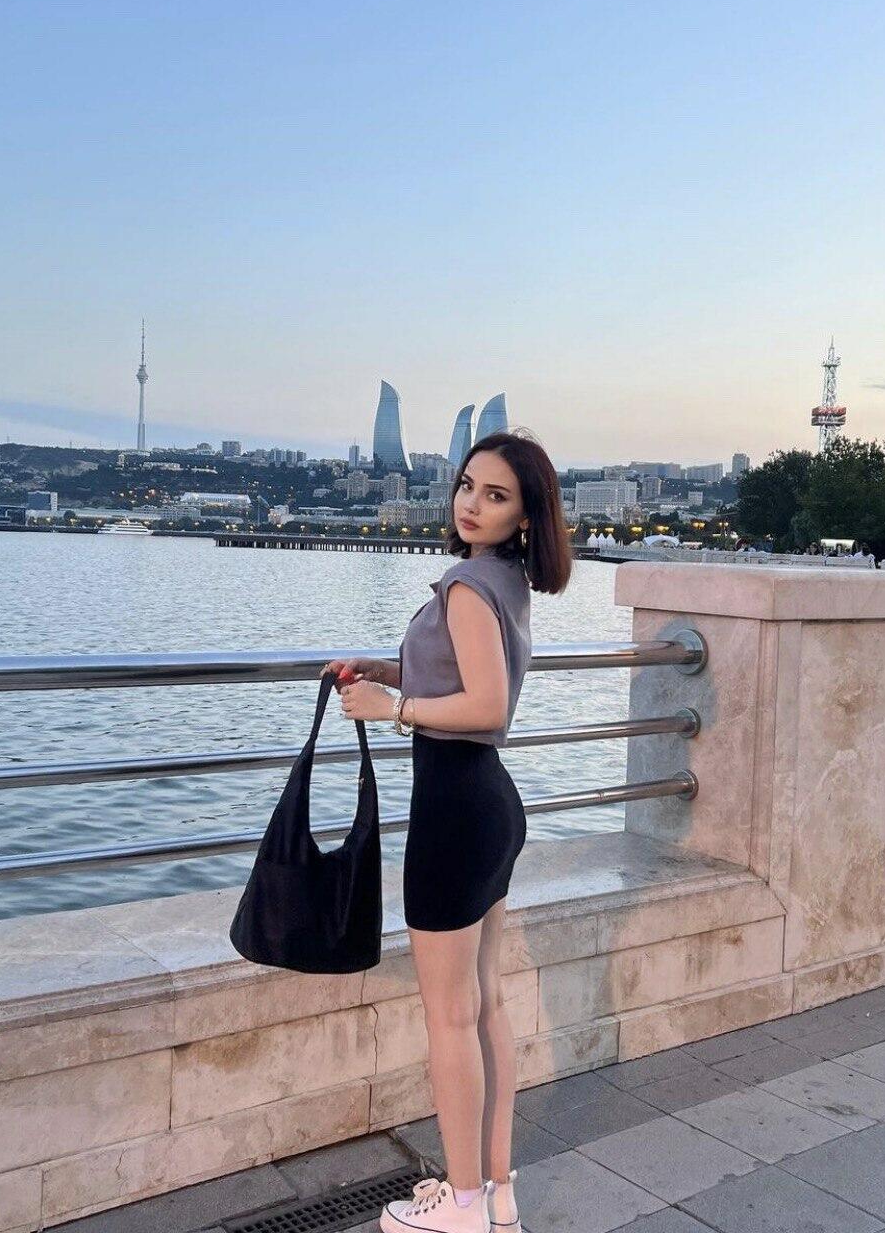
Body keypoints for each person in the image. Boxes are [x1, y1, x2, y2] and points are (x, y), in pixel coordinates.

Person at [323, 430, 572, 1233]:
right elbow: (462, 676)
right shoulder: (503, 578)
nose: (471, 503)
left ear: (524, 515)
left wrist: (390, 708)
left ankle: (459, 1205)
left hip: (454, 812)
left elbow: (487, 707)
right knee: (485, 1004)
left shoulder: (466, 583)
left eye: (495, 495)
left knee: (449, 1017)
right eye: (467, 485)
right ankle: (494, 1194)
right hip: (488, 807)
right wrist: (387, 671)